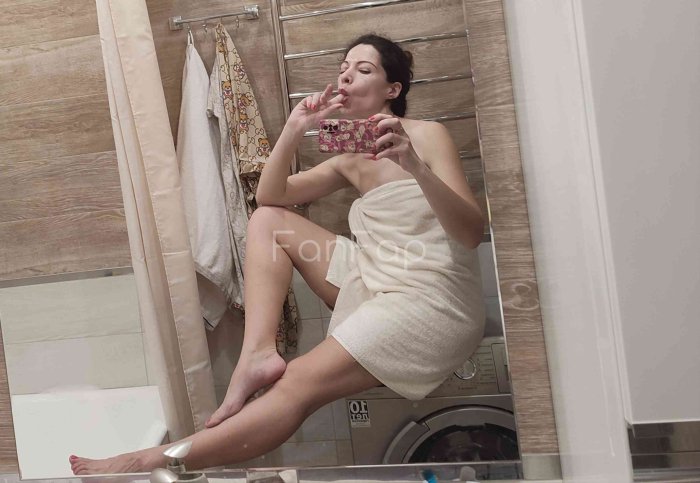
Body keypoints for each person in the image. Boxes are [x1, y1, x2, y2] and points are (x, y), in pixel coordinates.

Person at [69, 33, 485, 475]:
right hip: (379, 278)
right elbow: (269, 197)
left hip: (432, 297)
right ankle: (257, 354)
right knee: (267, 220)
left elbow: (471, 233)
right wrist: (294, 129)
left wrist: (413, 165)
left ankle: (147, 460)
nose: (347, 76)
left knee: (298, 382)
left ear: (392, 89)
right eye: (343, 68)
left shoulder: (428, 136)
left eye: (364, 69)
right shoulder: (348, 159)